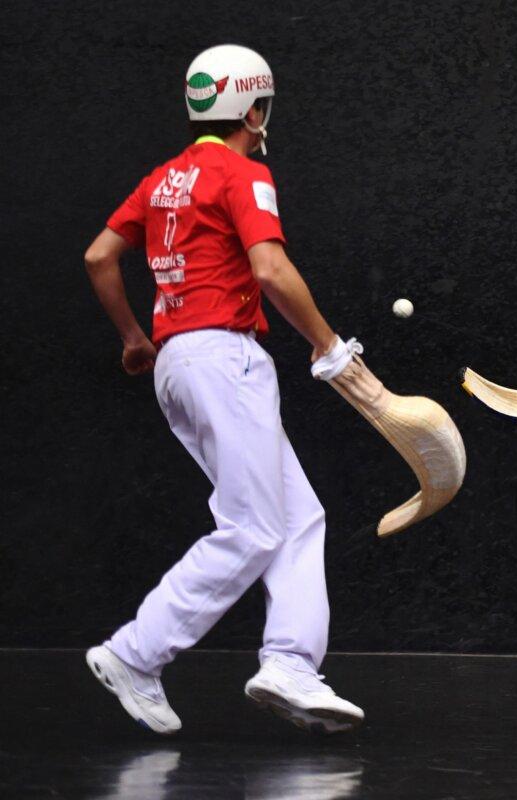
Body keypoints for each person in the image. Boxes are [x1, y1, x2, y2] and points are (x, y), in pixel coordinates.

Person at [82, 44, 365, 734]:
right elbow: (269, 269)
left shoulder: (162, 179)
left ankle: (291, 664)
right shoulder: (243, 172)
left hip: (179, 362)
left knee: (297, 520)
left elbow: (99, 257)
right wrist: (328, 346)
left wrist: (133, 339)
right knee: (254, 526)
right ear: (256, 110)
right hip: (223, 359)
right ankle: (134, 652)